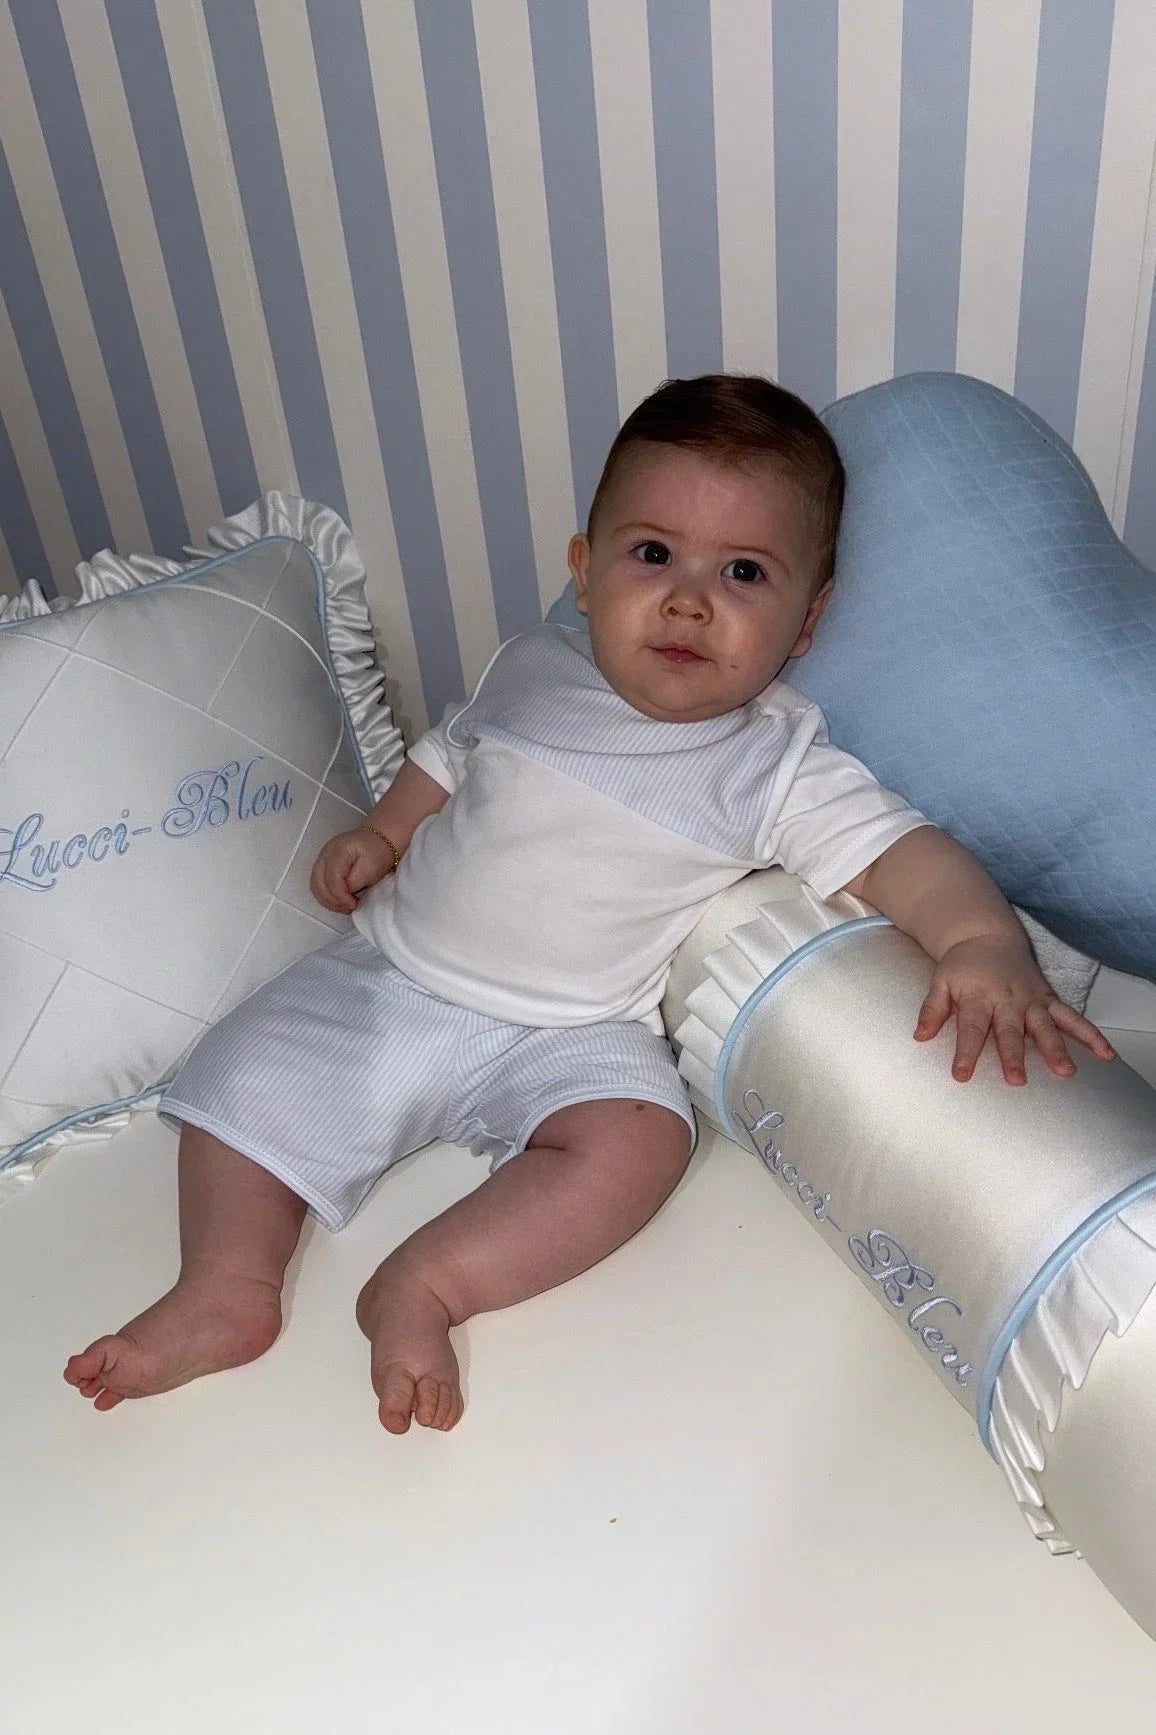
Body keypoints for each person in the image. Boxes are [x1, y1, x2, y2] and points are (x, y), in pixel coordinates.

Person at [64, 375, 1115, 1434]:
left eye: (743, 572)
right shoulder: (533, 662)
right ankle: (226, 1285)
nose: (688, 598)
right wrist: (383, 832)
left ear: (809, 619)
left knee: (639, 1144)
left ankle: (429, 1281)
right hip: (394, 975)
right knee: (244, 1076)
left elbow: (905, 855)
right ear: (585, 567)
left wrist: (979, 939)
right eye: (652, 554)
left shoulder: (774, 763)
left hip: (579, 1030)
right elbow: (445, 753)